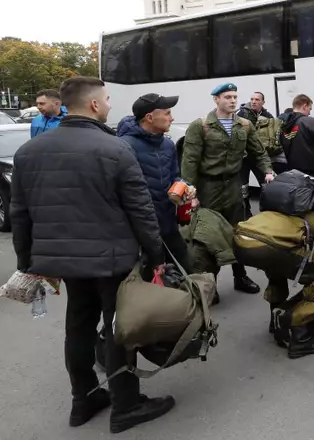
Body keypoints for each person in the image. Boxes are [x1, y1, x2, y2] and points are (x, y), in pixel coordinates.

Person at [10, 76, 175, 434]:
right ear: (95, 105)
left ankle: (83, 400)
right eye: (108, 99)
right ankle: (126, 405)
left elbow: (19, 213)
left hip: (64, 260)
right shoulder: (116, 149)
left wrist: (26, 263)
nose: (111, 105)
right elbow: (141, 209)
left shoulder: (28, 151)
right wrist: (155, 252)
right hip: (112, 258)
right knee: (119, 329)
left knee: (78, 327)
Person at [180, 83, 274, 297]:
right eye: (227, 97)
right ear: (216, 99)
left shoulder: (245, 125)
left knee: (235, 231)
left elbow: (258, 152)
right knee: (208, 237)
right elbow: (190, 160)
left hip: (233, 185)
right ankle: (208, 285)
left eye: (234, 97)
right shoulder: (201, 126)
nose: (232, 101)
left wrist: (267, 170)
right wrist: (190, 190)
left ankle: (239, 276)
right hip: (208, 187)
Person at [117, 93, 196, 270]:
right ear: (150, 117)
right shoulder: (124, 146)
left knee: (186, 269)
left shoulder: (167, 144)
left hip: (168, 223)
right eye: (167, 113)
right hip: (141, 231)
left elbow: (174, 176)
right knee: (151, 279)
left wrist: (185, 188)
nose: (172, 118)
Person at [237, 91, 278, 218]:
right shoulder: (242, 114)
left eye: (257, 100)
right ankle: (246, 213)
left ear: (263, 102)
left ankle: (266, 212)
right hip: (243, 158)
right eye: (252, 99)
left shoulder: (267, 116)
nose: (254, 102)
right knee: (243, 187)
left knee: (266, 184)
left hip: (257, 156)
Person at [281, 94, 314, 182]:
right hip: (312, 169)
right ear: (305, 106)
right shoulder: (307, 121)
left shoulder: (284, 125)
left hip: (293, 169)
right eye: (310, 109)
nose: (309, 112)